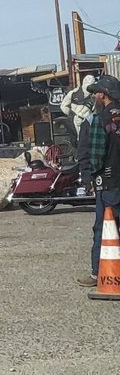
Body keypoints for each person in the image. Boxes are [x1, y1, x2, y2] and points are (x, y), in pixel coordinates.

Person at [77, 74, 120, 286]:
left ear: (102, 94)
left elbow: (93, 154)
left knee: (104, 229)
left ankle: (98, 273)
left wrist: (89, 178)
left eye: (95, 93)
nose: (94, 96)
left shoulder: (98, 119)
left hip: (109, 184)